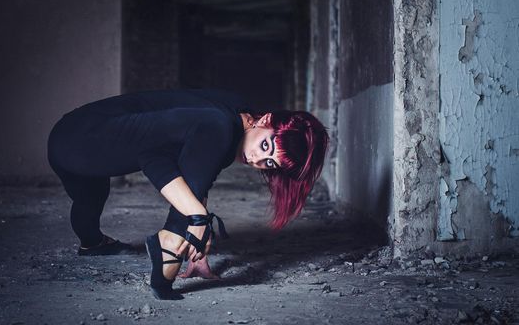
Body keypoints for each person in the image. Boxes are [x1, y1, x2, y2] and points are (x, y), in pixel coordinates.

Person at [47, 89, 329, 300]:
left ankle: (93, 243)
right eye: (266, 147)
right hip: (85, 136)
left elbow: (169, 161)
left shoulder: (228, 118)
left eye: (269, 164)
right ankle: (169, 241)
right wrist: (196, 219)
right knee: (214, 129)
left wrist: (196, 251)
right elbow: (157, 157)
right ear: (265, 120)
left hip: (69, 143)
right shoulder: (219, 123)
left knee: (89, 200)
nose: (256, 160)